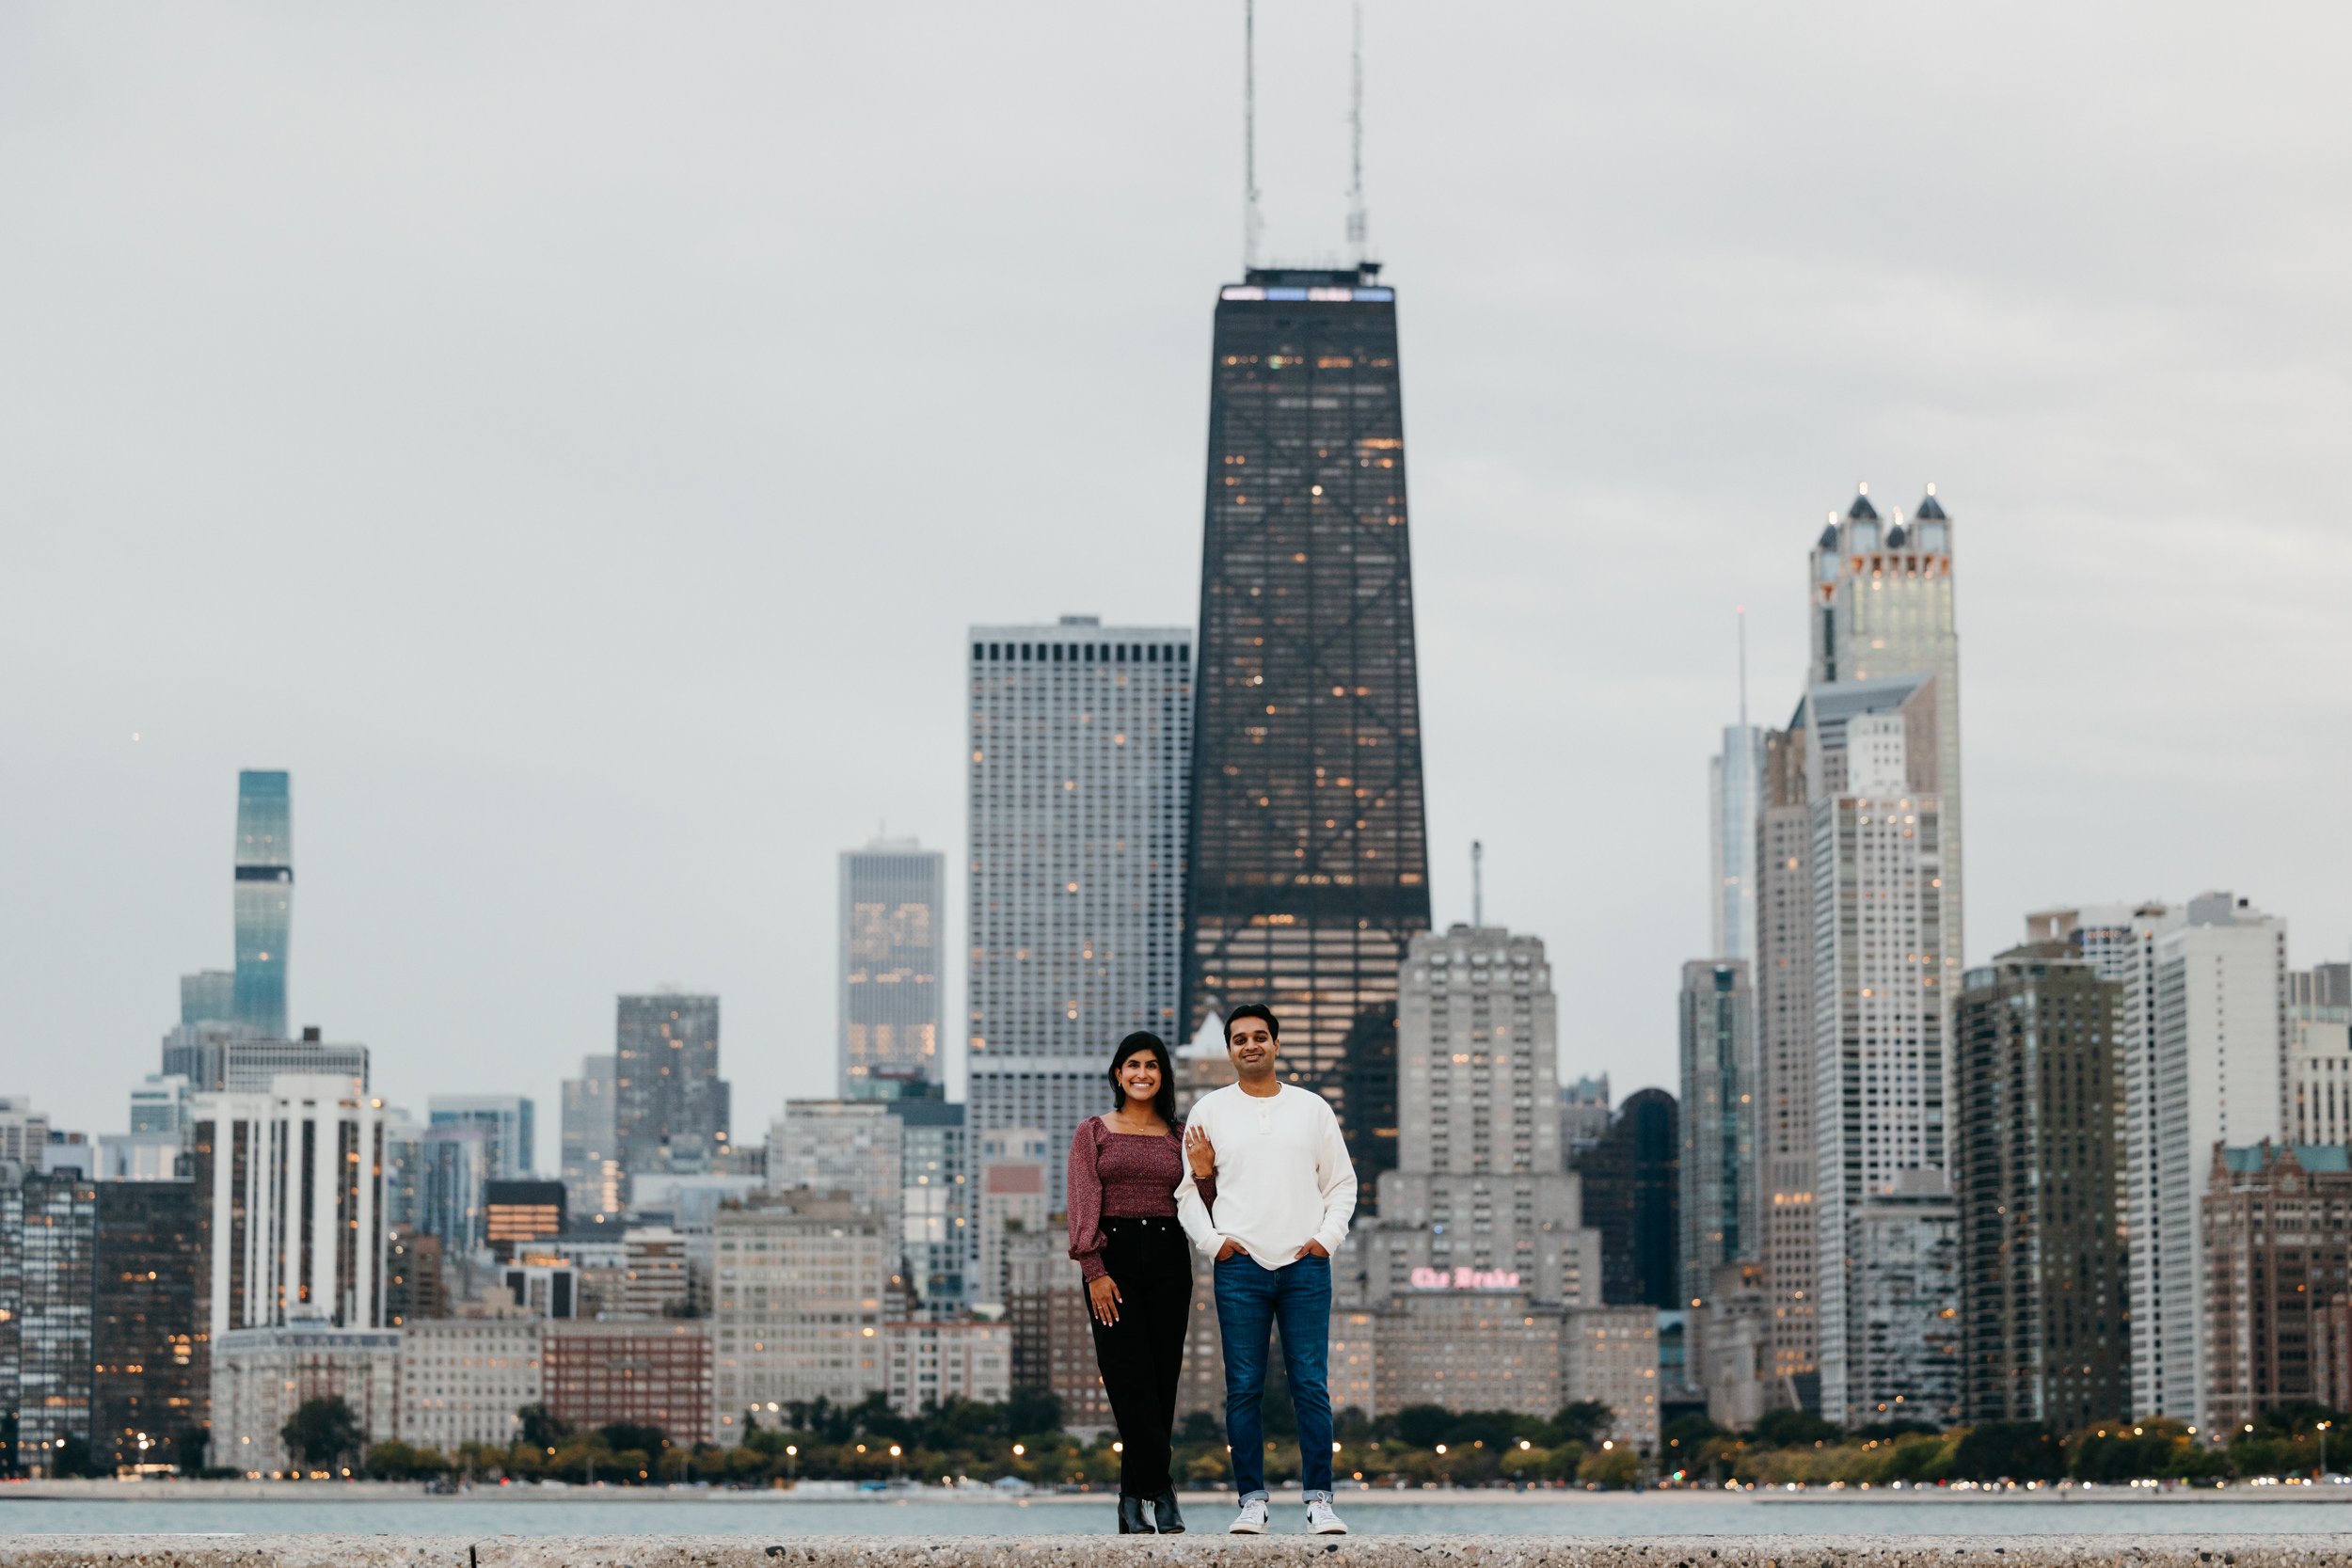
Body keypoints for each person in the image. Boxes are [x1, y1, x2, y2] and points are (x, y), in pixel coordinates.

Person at [1175, 1003, 1357, 1536]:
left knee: (1310, 1385)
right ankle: (1251, 1502)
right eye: (1239, 1039)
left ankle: (1320, 1502)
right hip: (1240, 1269)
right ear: (1230, 1050)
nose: (1250, 1045)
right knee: (1244, 1389)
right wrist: (1214, 1244)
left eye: (1260, 1037)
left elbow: (1341, 1183)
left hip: (1306, 1266)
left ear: (1277, 1044)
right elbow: (1188, 1191)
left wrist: (1326, 1241)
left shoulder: (1313, 1109)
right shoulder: (1208, 1110)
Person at [1066, 1030, 1202, 1534]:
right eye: (1132, 1065)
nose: (1142, 1073)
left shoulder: (1180, 1134)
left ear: (1163, 1075)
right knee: (1129, 1382)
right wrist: (1094, 1271)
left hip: (1170, 1257)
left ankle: (1130, 1501)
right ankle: (1159, 1491)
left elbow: (1200, 1200)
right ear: (1118, 1075)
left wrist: (1206, 1173)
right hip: (1114, 1262)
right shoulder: (1094, 1131)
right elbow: (1083, 1202)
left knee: (1162, 1381)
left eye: (1152, 1065)